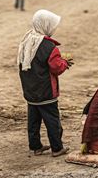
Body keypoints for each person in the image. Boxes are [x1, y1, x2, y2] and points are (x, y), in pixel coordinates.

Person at [18, 9, 72, 157]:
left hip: (30, 90)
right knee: (52, 121)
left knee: (33, 121)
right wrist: (65, 63)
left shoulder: (26, 41)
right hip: (46, 91)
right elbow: (56, 68)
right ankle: (57, 148)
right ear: (46, 26)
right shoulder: (50, 47)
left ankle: (36, 147)